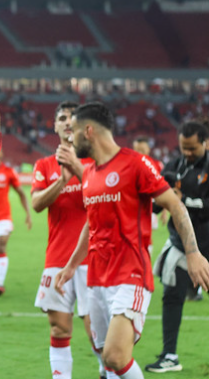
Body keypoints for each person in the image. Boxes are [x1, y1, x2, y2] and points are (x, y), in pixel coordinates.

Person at [54, 102, 209, 379]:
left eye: (74, 130)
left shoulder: (136, 164)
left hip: (130, 275)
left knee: (116, 355)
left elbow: (175, 206)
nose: (70, 136)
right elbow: (91, 224)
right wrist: (70, 266)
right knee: (107, 361)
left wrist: (193, 253)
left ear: (88, 131)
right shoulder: (89, 174)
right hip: (97, 279)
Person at [31, 101, 104, 379]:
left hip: (92, 257)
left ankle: (104, 369)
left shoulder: (95, 162)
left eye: (72, 118)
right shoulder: (45, 165)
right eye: (61, 117)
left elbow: (103, 196)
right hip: (57, 258)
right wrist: (61, 181)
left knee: (95, 329)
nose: (66, 122)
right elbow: (37, 203)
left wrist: (75, 167)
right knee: (59, 329)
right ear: (55, 125)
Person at [145, 121, 209, 373]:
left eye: (192, 148)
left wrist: (185, 202)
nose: (188, 152)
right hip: (180, 245)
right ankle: (169, 355)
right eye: (184, 147)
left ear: (205, 142)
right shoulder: (173, 166)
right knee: (171, 296)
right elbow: (157, 207)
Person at [0, 149, 31, 296]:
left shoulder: (8, 172)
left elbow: (21, 193)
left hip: (3, 218)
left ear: (1, 154)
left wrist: (28, 214)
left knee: (0, 246)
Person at [132, 136, 165, 231]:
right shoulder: (129, 166)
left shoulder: (157, 165)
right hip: (134, 207)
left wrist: (163, 210)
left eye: (142, 149)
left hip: (152, 207)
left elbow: (164, 188)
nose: (139, 152)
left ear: (148, 149)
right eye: (137, 149)